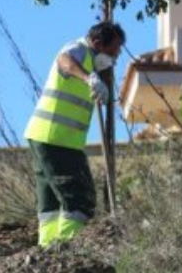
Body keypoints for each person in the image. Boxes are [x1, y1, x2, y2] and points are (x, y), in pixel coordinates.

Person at [25, 21, 125, 248]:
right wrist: (90, 77)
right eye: (112, 51)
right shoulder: (78, 49)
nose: (114, 58)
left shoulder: (96, 65)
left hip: (46, 136)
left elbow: (105, 93)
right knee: (80, 199)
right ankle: (66, 252)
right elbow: (64, 61)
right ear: (97, 43)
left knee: (49, 203)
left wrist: (102, 74)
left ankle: (47, 251)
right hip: (56, 138)